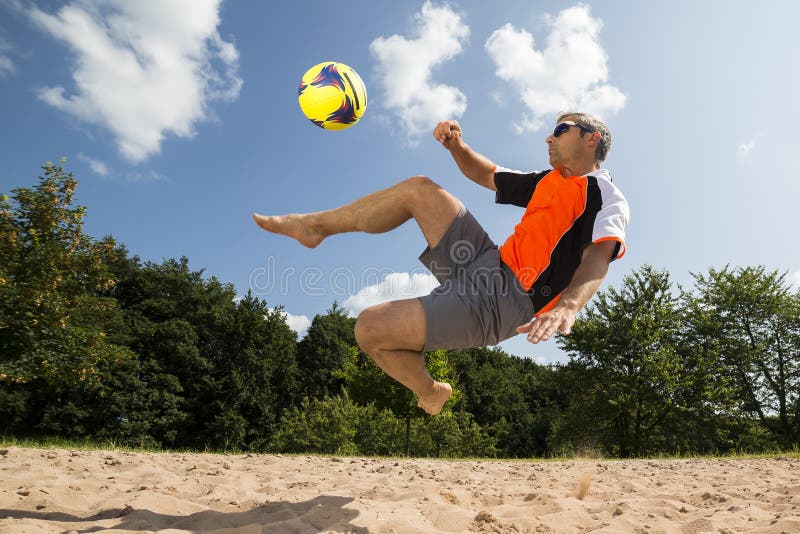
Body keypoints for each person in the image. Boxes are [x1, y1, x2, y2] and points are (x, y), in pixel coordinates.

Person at [253, 112, 629, 416]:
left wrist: (568, 306)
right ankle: (315, 226)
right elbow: (487, 174)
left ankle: (429, 391)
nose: (549, 137)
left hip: (504, 300)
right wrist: (457, 146)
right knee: (419, 189)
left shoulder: (604, 194)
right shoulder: (548, 181)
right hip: (484, 258)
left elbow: (599, 256)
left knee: (369, 328)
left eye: (560, 129)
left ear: (591, 138)